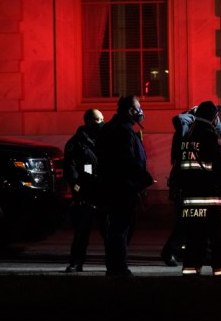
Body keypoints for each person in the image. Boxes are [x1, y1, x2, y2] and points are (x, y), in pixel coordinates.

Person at [161, 104, 221, 267]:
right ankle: (170, 251)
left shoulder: (188, 133)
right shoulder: (201, 134)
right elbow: (219, 161)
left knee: (190, 223)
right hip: (199, 189)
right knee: (190, 223)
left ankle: (188, 255)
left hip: (186, 185)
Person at [96, 95, 154, 277]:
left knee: (116, 229)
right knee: (120, 229)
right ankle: (118, 267)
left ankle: (115, 265)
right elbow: (127, 160)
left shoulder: (110, 129)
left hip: (114, 187)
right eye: (139, 108)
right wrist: (144, 178)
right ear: (130, 111)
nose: (141, 112)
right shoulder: (123, 131)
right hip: (122, 189)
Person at [176, 101, 221, 276]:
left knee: (194, 237)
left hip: (190, 199)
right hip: (210, 199)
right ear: (214, 118)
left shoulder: (187, 138)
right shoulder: (211, 137)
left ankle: (191, 270)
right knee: (219, 236)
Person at [64, 108, 105, 273]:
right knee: (81, 231)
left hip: (103, 190)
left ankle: (115, 263)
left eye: (102, 119)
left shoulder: (106, 139)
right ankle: (76, 262)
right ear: (88, 121)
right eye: (97, 119)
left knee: (109, 231)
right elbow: (71, 170)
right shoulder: (75, 143)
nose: (101, 122)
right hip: (85, 192)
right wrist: (77, 191)